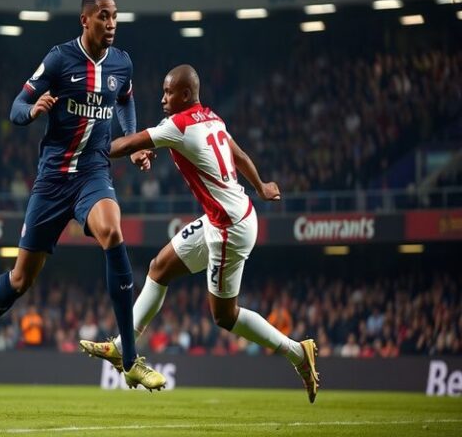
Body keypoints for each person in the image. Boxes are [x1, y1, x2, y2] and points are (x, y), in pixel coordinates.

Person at [0, 0, 166, 399]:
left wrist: (133, 142)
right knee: (20, 280)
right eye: (103, 15)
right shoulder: (59, 59)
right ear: (85, 20)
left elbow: (125, 100)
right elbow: (15, 107)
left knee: (113, 232)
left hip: (93, 175)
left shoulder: (122, 63)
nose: (111, 22)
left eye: (115, 15)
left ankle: (130, 357)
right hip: (52, 181)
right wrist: (32, 112)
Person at [79, 64, 320, 403]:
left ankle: (297, 351)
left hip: (228, 229)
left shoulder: (177, 125)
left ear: (186, 95)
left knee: (224, 316)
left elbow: (127, 144)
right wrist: (262, 186)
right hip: (226, 216)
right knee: (159, 267)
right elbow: (237, 154)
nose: (163, 98)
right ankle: (122, 347)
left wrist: (88, 149)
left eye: (168, 92)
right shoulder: (210, 117)